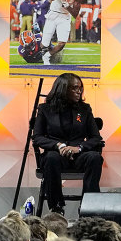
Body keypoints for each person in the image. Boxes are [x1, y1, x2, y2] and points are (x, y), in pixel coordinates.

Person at [31, 73, 104, 214]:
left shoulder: (85, 109)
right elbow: (38, 137)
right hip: (56, 155)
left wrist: (79, 148)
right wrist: (59, 146)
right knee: (51, 158)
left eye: (80, 88)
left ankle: (89, 206)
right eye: (75, 88)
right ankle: (56, 207)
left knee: (94, 157)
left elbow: (95, 138)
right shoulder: (45, 109)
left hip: (79, 155)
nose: (79, 91)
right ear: (63, 89)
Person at [36, 0, 87, 64]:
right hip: (53, 14)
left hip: (65, 17)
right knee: (44, 43)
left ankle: (47, 56)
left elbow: (75, 14)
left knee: (62, 43)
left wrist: (67, 5)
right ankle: (37, 54)